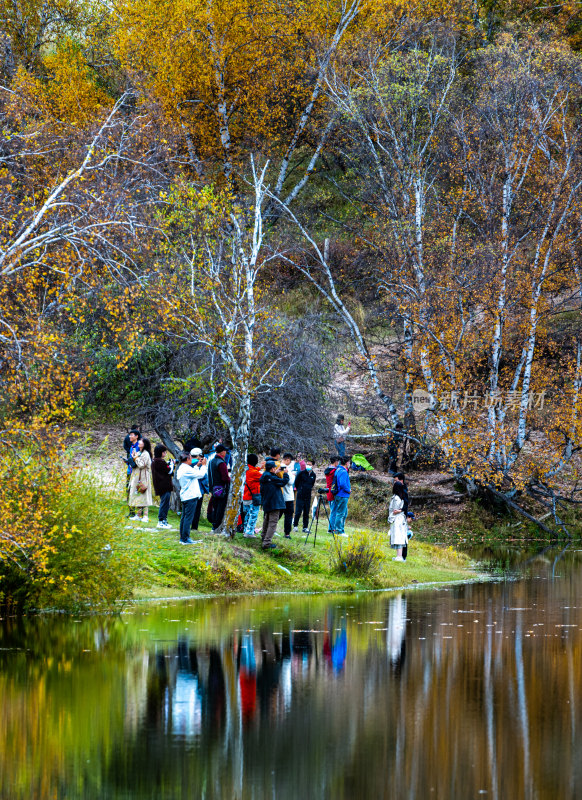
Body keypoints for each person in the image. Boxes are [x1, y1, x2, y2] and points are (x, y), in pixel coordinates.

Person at [176, 451, 208, 544]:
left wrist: (197, 466)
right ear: (187, 459)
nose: (192, 459)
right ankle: (186, 538)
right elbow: (201, 475)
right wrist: (204, 465)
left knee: (184, 517)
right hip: (191, 496)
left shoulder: (182, 468)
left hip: (185, 496)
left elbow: (193, 473)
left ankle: (183, 537)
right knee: (188, 518)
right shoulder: (187, 469)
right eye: (190, 457)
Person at [259, 460, 289, 550]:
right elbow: (283, 482)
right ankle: (267, 543)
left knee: (266, 520)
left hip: (267, 502)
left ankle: (264, 537)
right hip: (275, 503)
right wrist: (285, 473)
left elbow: (273, 480)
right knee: (273, 523)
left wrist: (275, 473)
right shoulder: (271, 477)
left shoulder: (265, 476)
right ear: (272, 468)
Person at [128, 437, 153, 521]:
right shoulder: (139, 452)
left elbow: (142, 465)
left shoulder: (146, 454)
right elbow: (136, 463)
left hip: (143, 477)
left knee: (144, 494)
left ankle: (145, 516)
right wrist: (131, 459)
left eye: (141, 441)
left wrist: (135, 458)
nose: (139, 442)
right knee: (138, 495)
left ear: (144, 444)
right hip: (137, 476)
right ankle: (138, 515)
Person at [208, 444, 231, 531]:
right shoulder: (221, 463)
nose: (226, 452)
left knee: (215, 507)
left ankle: (214, 526)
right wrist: (230, 479)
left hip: (213, 488)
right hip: (221, 489)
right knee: (220, 509)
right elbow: (225, 478)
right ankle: (217, 527)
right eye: (225, 451)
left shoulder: (211, 461)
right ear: (222, 452)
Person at [152, 444, 174, 530]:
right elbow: (169, 471)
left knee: (165, 503)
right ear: (161, 453)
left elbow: (164, 470)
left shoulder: (155, 461)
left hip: (160, 486)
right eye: (164, 452)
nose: (165, 453)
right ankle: (161, 521)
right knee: (164, 503)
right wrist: (172, 464)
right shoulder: (159, 461)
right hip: (164, 486)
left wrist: (168, 464)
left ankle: (164, 520)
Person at [328, 455, 351, 536]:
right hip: (342, 495)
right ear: (347, 463)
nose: (350, 464)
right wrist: (348, 490)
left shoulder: (338, 470)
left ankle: (340, 529)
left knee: (343, 513)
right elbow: (342, 484)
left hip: (339, 494)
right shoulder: (343, 471)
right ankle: (339, 530)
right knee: (341, 513)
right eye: (349, 462)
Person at [293, 459, 316, 533]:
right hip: (300, 494)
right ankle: (295, 525)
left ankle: (305, 527)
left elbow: (312, 484)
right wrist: (300, 489)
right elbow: (296, 482)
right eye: (307, 464)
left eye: (310, 464)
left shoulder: (313, 475)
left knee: (306, 512)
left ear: (313, 466)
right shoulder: (301, 473)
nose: (308, 466)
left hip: (308, 495)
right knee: (298, 511)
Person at [243, 454, 263, 538]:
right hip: (252, 497)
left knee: (246, 515)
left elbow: (254, 470)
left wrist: (260, 468)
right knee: (253, 514)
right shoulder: (254, 473)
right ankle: (249, 532)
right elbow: (264, 477)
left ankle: (245, 530)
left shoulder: (245, 469)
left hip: (245, 496)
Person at [389, 481, 408, 562]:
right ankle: (398, 556)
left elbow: (394, 510)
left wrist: (391, 518)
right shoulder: (401, 496)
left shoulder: (396, 498)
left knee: (398, 537)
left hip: (397, 519)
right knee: (399, 537)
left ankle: (399, 556)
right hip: (400, 519)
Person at [393, 472, 410, 561]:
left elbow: (406, 504)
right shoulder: (399, 490)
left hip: (402, 516)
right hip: (399, 515)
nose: (394, 482)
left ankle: (403, 556)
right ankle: (400, 555)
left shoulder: (404, 490)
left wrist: (400, 511)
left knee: (403, 536)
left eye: (396, 480)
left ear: (401, 480)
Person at [189, 448, 207, 532]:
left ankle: (186, 525)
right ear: (199, 455)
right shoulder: (199, 464)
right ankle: (194, 527)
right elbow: (204, 477)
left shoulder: (187, 463)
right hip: (199, 490)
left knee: (189, 509)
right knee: (197, 509)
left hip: (189, 489)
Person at [280, 453, 296, 538]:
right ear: (287, 460)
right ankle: (287, 533)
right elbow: (290, 481)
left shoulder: (277, 466)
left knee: (277, 514)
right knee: (288, 515)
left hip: (280, 495)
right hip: (288, 496)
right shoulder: (286, 469)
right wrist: (293, 476)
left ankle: (271, 530)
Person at [324, 455, 340, 534]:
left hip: (328, 491)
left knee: (332, 510)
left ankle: (331, 527)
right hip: (332, 491)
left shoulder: (328, 470)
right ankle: (331, 528)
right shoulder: (334, 471)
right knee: (333, 511)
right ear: (335, 462)